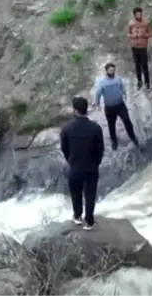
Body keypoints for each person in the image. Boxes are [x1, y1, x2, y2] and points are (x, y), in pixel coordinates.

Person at [60, 97, 105, 230]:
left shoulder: (67, 129)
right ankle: (89, 221)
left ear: (75, 111)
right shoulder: (96, 128)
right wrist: (96, 162)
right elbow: (100, 149)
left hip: (75, 166)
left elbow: (64, 148)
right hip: (91, 166)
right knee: (90, 194)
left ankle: (77, 216)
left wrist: (70, 160)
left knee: (75, 192)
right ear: (87, 109)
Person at [94, 62, 141, 151]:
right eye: (110, 70)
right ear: (106, 71)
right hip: (109, 107)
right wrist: (97, 104)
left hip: (120, 105)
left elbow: (122, 87)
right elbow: (98, 94)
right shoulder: (102, 82)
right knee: (111, 125)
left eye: (113, 70)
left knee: (127, 121)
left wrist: (124, 95)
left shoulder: (118, 79)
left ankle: (133, 137)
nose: (112, 72)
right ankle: (114, 141)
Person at [128, 7, 152, 90]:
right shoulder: (131, 23)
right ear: (134, 15)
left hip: (143, 46)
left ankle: (147, 82)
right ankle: (139, 81)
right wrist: (133, 36)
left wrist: (145, 35)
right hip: (134, 46)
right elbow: (128, 34)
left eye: (140, 14)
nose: (139, 15)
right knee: (137, 64)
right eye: (137, 14)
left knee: (144, 64)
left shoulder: (146, 22)